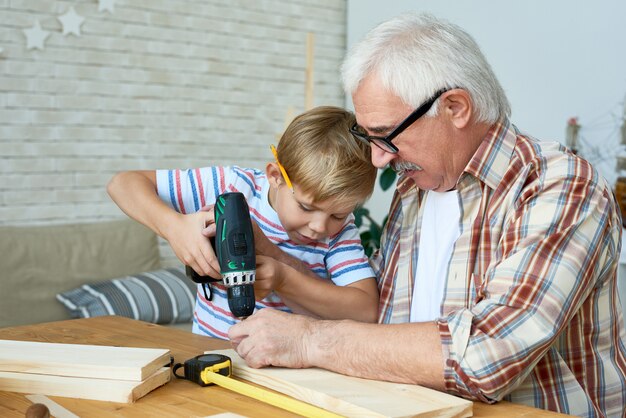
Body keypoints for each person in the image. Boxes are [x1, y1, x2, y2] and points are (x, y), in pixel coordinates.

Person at [227, 13, 626, 417]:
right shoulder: (414, 189)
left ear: (454, 107)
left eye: (385, 135)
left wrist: (309, 340)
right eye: (369, 137)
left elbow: (486, 358)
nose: (377, 159)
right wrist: (273, 258)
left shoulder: (558, 185)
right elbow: (376, 317)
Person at [107, 106, 379, 340]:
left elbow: (365, 311)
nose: (320, 227)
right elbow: (123, 184)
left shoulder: (340, 234)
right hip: (209, 352)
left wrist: (283, 278)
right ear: (275, 176)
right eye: (306, 207)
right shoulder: (233, 187)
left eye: (338, 214)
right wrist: (174, 227)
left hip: (292, 371)